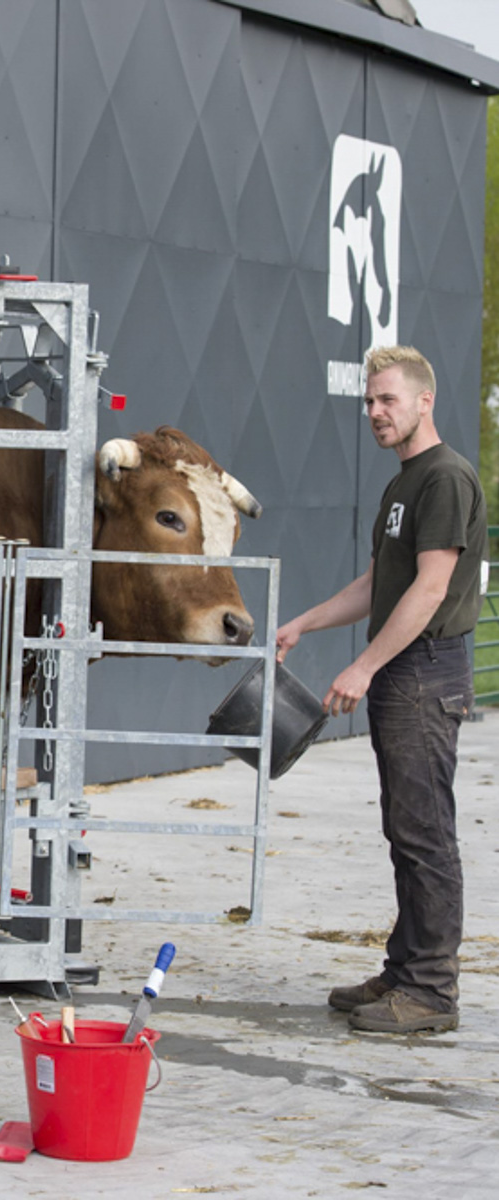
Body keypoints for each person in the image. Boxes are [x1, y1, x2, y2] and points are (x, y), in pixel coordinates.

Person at [276, 345, 486, 1034]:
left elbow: (430, 588)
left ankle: (431, 992)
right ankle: (404, 971)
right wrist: (305, 623)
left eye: (387, 399)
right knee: (404, 828)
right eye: (369, 401)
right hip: (404, 674)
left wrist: (363, 666)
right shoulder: (405, 483)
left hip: (426, 672)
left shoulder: (445, 478)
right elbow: (378, 584)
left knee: (425, 834)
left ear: (425, 400)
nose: (374, 411)